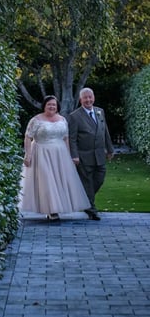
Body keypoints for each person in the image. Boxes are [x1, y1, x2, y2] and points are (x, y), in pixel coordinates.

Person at [18, 95, 90, 221]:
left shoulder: (62, 120)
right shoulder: (36, 120)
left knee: (58, 181)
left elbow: (66, 138)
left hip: (59, 154)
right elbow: (28, 137)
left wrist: (68, 156)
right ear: (44, 106)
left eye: (54, 105)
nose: (51, 107)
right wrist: (27, 155)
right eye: (49, 104)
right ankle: (51, 211)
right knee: (47, 180)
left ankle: (57, 209)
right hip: (41, 152)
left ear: (57, 107)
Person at [68, 87, 114, 221]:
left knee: (99, 179)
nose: (88, 100)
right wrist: (74, 155)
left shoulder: (100, 111)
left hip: (99, 154)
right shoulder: (74, 116)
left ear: (93, 97)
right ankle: (92, 210)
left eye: (90, 97)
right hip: (83, 156)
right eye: (85, 97)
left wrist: (110, 149)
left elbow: (105, 131)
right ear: (81, 99)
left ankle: (82, 198)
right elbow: (72, 138)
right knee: (87, 182)